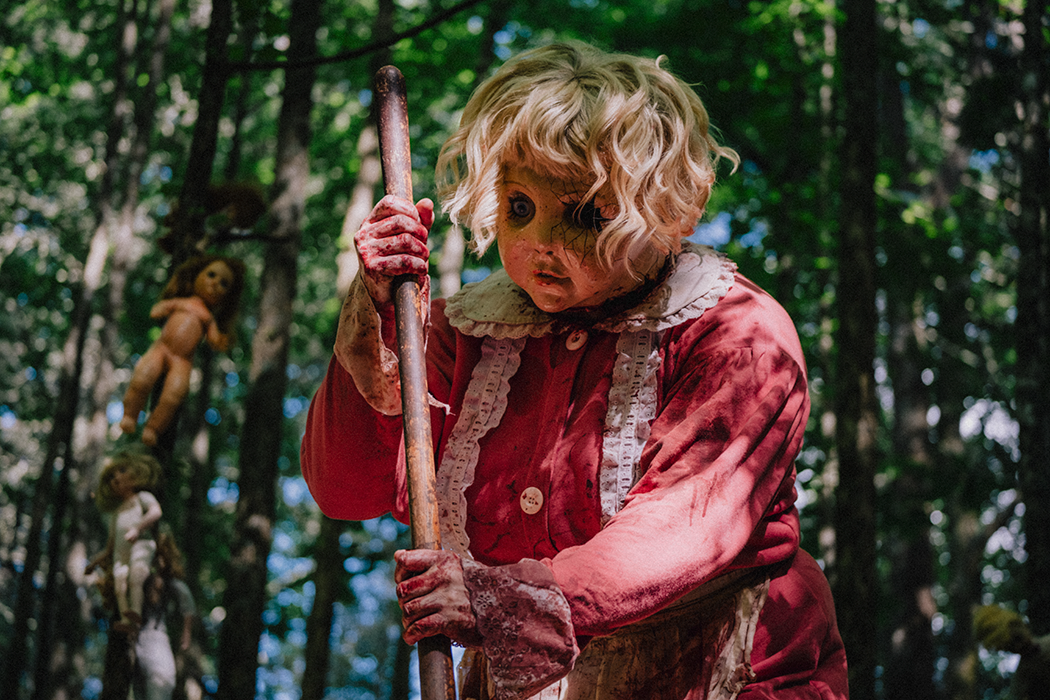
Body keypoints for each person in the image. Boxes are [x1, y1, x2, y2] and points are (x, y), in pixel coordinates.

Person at [301, 41, 848, 700]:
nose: (540, 245)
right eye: (520, 207)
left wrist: (500, 599)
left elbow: (681, 525)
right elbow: (346, 487)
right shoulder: (461, 331)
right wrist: (378, 312)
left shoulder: (737, 335)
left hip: (724, 671)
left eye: (586, 214)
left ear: (673, 211)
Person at [120, 254, 245, 446]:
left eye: (224, 283)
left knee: (174, 395)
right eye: (211, 275)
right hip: (161, 348)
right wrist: (160, 308)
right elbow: (157, 310)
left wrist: (221, 341)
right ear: (197, 275)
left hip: (183, 360)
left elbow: (214, 340)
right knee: (142, 378)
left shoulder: (207, 318)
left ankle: (153, 428)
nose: (214, 284)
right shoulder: (182, 302)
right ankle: (130, 415)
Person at [86, 451, 164, 636]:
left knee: (136, 577)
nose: (116, 478)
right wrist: (94, 563)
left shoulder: (142, 497)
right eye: (111, 477)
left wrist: (138, 528)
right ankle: (125, 620)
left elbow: (155, 512)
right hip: (120, 554)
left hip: (141, 545)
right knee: (120, 586)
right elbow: (110, 544)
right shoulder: (117, 511)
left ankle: (135, 613)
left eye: (122, 470)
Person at [133, 529, 197, 700]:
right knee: (159, 681)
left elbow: (187, 605)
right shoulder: (145, 578)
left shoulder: (170, 584)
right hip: (146, 639)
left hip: (153, 637)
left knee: (160, 683)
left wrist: (186, 634)